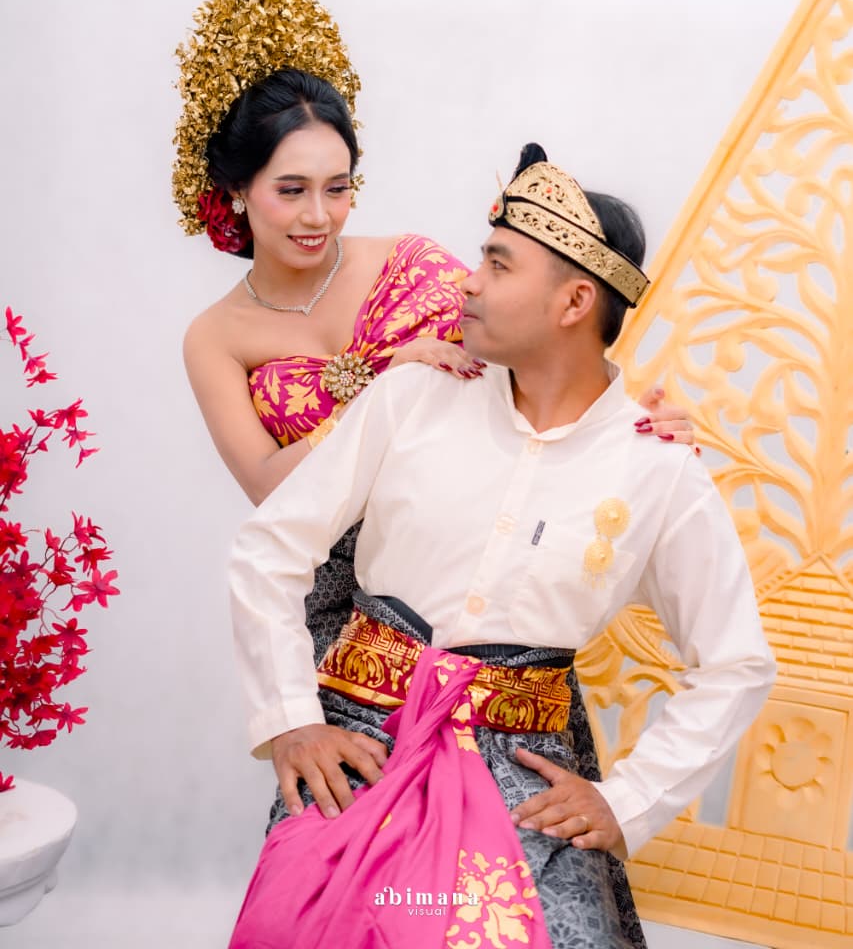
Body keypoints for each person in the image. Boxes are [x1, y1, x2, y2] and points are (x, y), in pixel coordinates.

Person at [226, 145, 776, 949]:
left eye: (497, 264)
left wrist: (626, 801)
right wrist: (290, 721)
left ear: (574, 301)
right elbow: (269, 549)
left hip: (522, 775)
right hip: (362, 746)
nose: (467, 283)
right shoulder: (415, 394)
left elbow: (735, 663)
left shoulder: (656, 467)